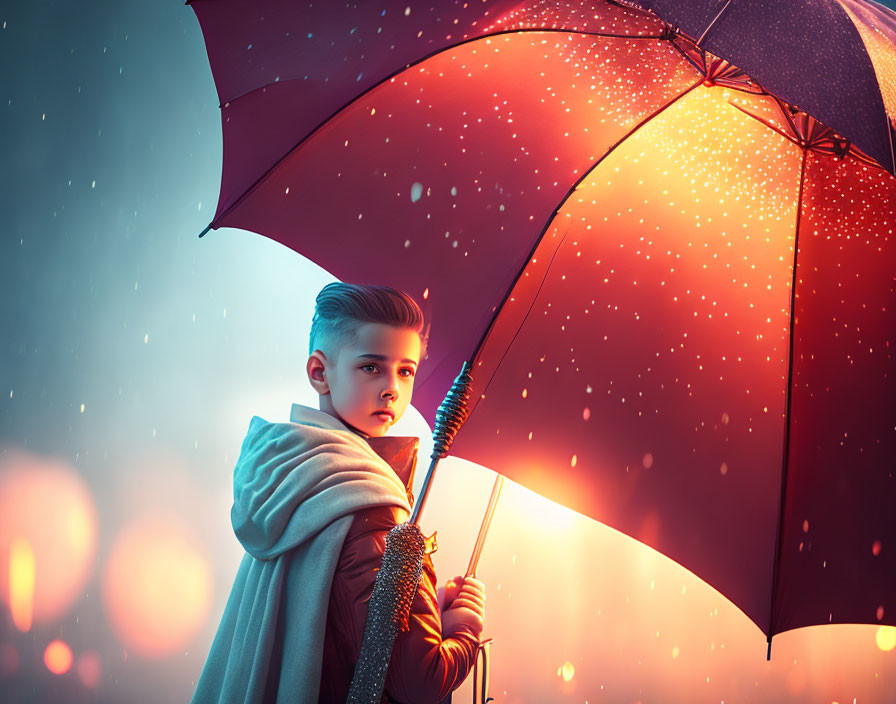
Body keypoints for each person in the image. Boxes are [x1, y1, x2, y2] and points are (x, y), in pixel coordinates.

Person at [191, 282, 486, 704]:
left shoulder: (292, 472)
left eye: (405, 370)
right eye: (371, 367)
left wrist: (419, 612)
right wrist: (463, 632)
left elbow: (336, 626)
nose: (392, 389)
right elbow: (416, 681)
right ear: (318, 372)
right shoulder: (369, 504)